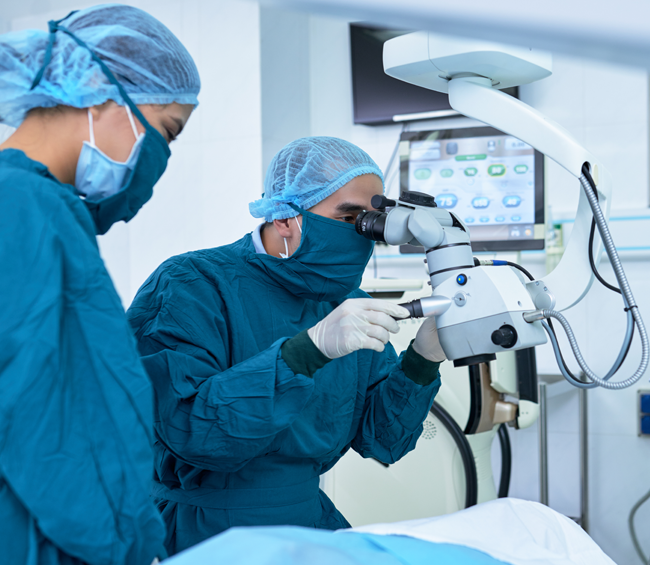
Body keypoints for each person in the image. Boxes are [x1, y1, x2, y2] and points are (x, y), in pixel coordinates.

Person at [127, 136, 446, 554]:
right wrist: (305, 353)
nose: (361, 235)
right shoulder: (191, 285)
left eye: (371, 221)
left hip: (305, 522)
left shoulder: (348, 304)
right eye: (349, 218)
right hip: (204, 531)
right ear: (285, 218)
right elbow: (193, 431)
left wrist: (424, 357)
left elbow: (381, 439)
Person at [0, 5, 200, 564]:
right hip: (43, 533)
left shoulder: (40, 204)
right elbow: (43, 414)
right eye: (167, 131)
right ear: (105, 94)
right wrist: (121, 542)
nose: (161, 157)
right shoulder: (24, 206)